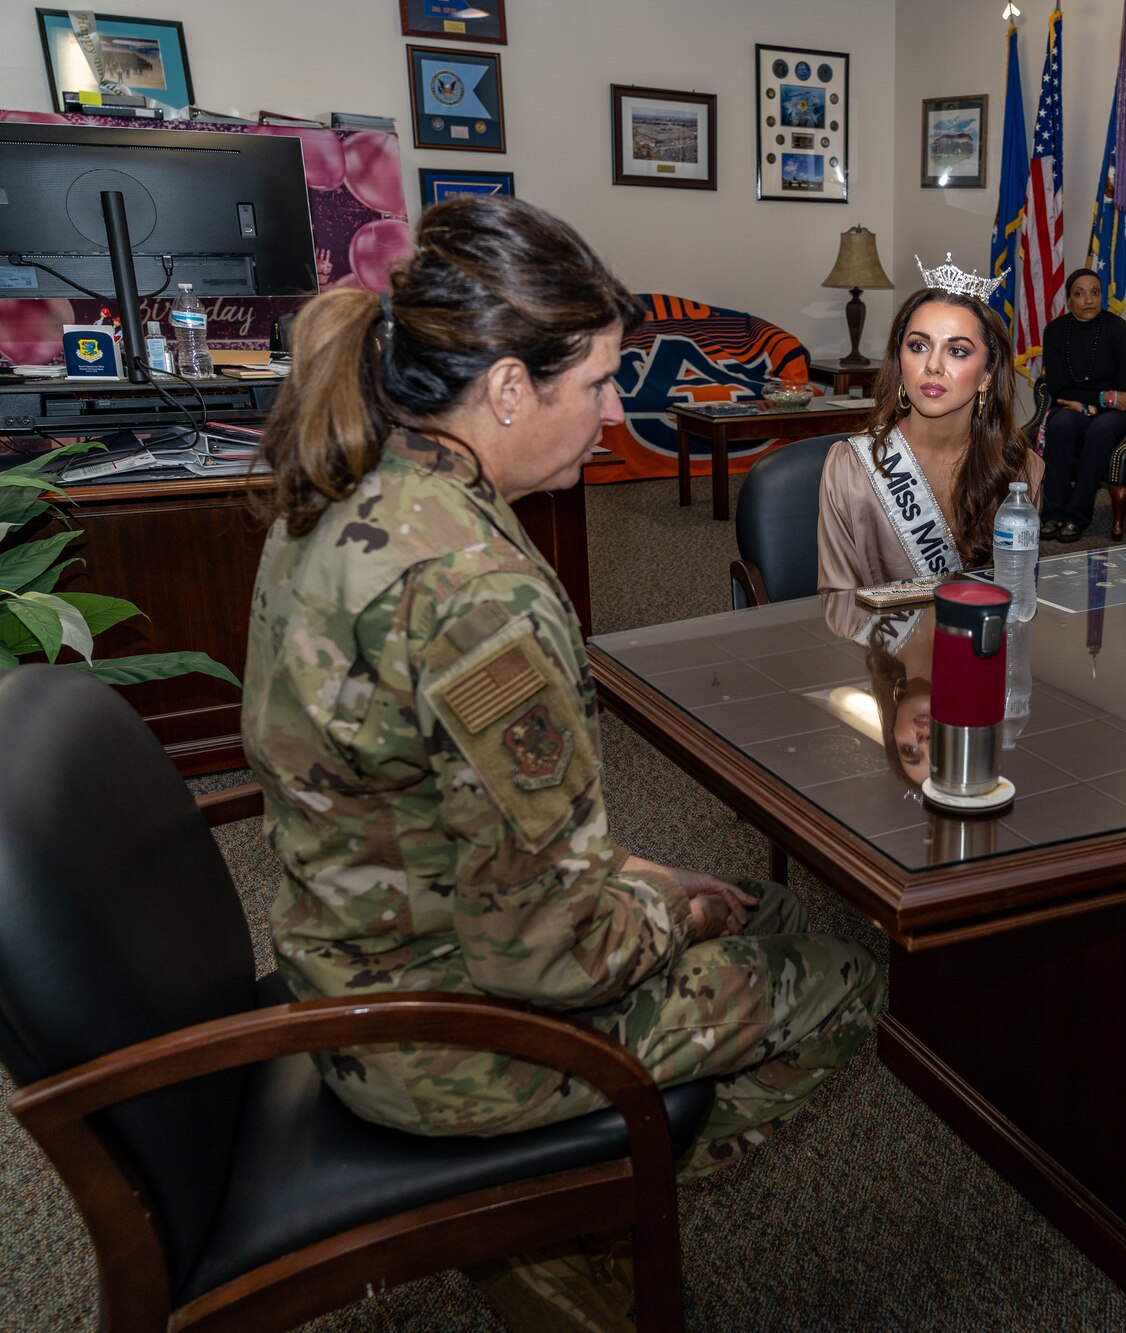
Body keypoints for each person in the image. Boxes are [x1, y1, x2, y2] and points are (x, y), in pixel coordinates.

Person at [243, 197, 884, 1220]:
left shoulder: (344, 489)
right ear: (506, 388)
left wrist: (640, 876)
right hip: (441, 1042)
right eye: (595, 383)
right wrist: (677, 907)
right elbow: (547, 954)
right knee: (839, 974)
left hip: (347, 961)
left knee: (768, 907)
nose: (614, 415)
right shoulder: (477, 591)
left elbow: (457, 814)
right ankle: (591, 1224)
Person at [818, 256, 1043, 590]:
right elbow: (837, 601)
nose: (933, 365)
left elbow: (1019, 590)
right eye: (919, 346)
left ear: (986, 376)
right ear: (900, 360)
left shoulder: (1020, 470)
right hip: (878, 640)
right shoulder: (850, 467)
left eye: (958, 351)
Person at [1037, 268, 1126, 542]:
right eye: (1080, 293)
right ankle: (1052, 513)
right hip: (1080, 408)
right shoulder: (1055, 331)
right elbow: (1059, 388)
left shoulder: (1117, 328)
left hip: (1115, 414)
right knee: (1060, 423)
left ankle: (1077, 516)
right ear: (1069, 299)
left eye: (1095, 293)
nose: (1088, 300)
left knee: (1100, 431)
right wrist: (1103, 397)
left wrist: (1089, 401)